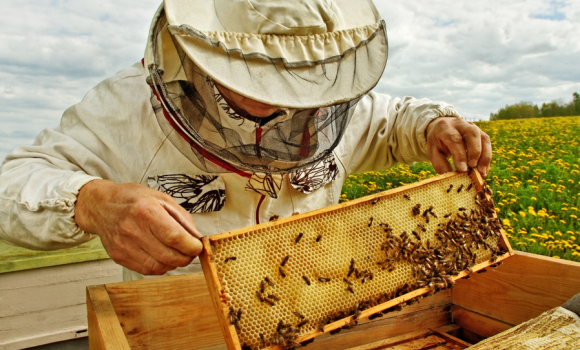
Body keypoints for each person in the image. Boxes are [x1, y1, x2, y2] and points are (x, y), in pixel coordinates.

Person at [0, 0, 491, 281]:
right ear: (201, 50)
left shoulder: (331, 103)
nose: (284, 99)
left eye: (298, 77)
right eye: (257, 76)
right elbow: (14, 182)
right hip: (186, 327)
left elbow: (393, 119)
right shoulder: (123, 104)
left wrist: (435, 124)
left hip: (315, 313)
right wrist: (93, 202)